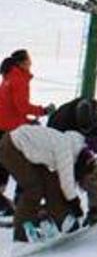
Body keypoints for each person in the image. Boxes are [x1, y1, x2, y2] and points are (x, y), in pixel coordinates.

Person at [0, 124, 87, 242]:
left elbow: (58, 181)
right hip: (11, 147)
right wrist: (75, 203)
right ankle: (21, 235)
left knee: (51, 182)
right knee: (34, 188)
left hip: (23, 149)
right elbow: (67, 181)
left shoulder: (64, 141)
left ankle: (62, 220)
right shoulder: (66, 148)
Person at [0, 50, 54, 218]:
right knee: (25, 163)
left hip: (4, 126)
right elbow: (21, 106)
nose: (31, 63)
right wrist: (43, 110)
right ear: (22, 63)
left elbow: (11, 107)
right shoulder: (19, 79)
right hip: (12, 130)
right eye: (29, 60)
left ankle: (6, 203)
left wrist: (27, 121)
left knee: (3, 165)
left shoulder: (8, 77)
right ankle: (21, 199)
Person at [47, 97, 97, 224]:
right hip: (59, 153)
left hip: (84, 151)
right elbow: (50, 141)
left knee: (92, 175)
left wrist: (96, 146)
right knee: (59, 180)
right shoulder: (60, 118)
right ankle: (59, 211)